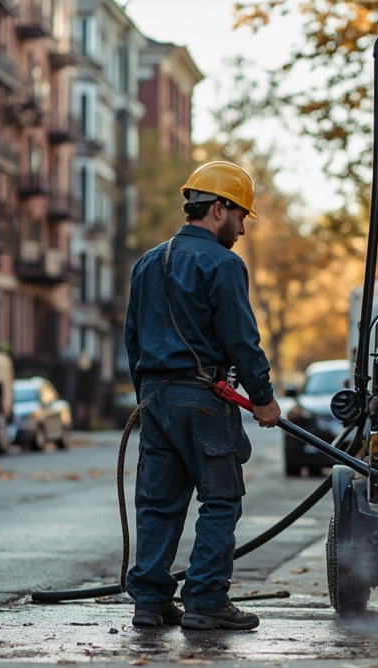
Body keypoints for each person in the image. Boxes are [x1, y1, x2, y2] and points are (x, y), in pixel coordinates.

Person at [123, 160, 282, 631]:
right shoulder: (224, 264)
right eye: (240, 219)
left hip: (154, 399)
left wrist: (148, 397)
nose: (242, 231)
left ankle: (150, 601)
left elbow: (133, 338)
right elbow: (241, 340)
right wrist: (264, 399)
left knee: (158, 501)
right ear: (218, 209)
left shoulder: (147, 262)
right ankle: (207, 601)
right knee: (220, 499)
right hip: (203, 399)